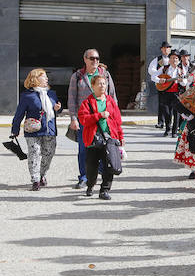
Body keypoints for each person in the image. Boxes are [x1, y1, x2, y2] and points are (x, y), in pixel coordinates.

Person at [67, 48, 117, 189]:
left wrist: (114, 117)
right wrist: (73, 118)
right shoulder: (77, 76)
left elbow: (112, 96)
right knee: (84, 149)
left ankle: (102, 176)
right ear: (85, 59)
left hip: (104, 120)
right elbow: (72, 99)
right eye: (92, 58)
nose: (95, 61)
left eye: (97, 58)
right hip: (86, 120)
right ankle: (84, 177)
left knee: (105, 148)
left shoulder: (105, 75)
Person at [11, 69, 61, 190]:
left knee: (49, 153)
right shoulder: (27, 95)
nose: (47, 79)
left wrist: (58, 108)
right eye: (43, 77)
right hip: (32, 130)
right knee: (34, 154)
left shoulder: (51, 94)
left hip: (49, 129)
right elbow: (19, 113)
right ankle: (35, 180)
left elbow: (56, 110)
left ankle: (42, 174)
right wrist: (15, 128)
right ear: (35, 79)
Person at [77, 75, 123, 201]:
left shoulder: (110, 101)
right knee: (91, 167)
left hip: (110, 139)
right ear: (93, 86)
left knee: (109, 165)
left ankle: (104, 190)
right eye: (99, 83)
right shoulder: (87, 102)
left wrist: (121, 137)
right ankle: (90, 185)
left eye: (104, 83)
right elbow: (83, 119)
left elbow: (117, 121)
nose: (102, 86)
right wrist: (99, 115)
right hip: (93, 140)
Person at [157, 52, 183, 137]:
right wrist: (160, 80)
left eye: (176, 58)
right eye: (172, 58)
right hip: (166, 93)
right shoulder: (164, 69)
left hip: (176, 94)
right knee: (167, 112)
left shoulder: (181, 70)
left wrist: (181, 81)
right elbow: (154, 76)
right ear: (169, 59)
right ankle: (168, 129)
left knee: (176, 113)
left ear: (178, 60)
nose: (173, 60)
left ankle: (174, 132)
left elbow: (185, 82)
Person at [148, 41, 172, 129]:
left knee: (171, 104)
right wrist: (159, 76)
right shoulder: (158, 60)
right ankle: (161, 122)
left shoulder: (173, 59)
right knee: (162, 104)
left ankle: (169, 122)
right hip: (161, 84)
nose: (166, 49)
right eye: (165, 48)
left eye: (168, 48)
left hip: (171, 84)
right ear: (162, 49)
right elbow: (151, 70)